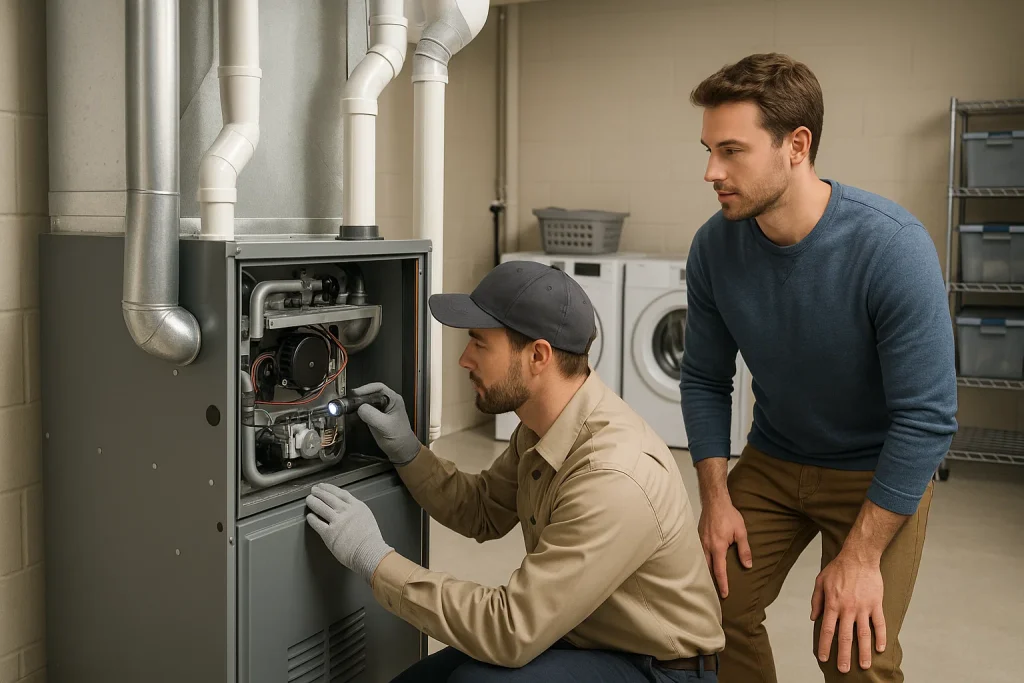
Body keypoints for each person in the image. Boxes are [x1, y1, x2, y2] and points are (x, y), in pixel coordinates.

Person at [306, 260, 725, 682]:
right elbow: (482, 509)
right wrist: (408, 451)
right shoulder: (544, 426)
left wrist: (375, 560)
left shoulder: (613, 476)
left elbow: (511, 630)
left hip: (659, 669)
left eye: (479, 343)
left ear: (538, 356)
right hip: (582, 637)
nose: (464, 360)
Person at [680, 53, 957, 683]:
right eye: (707, 149)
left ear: (796, 145)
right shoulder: (714, 248)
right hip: (776, 460)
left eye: (731, 151)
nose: (710, 172)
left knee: (854, 651)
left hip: (876, 467)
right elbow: (703, 379)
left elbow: (928, 418)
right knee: (702, 611)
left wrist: (860, 558)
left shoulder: (891, 246)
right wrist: (715, 497)